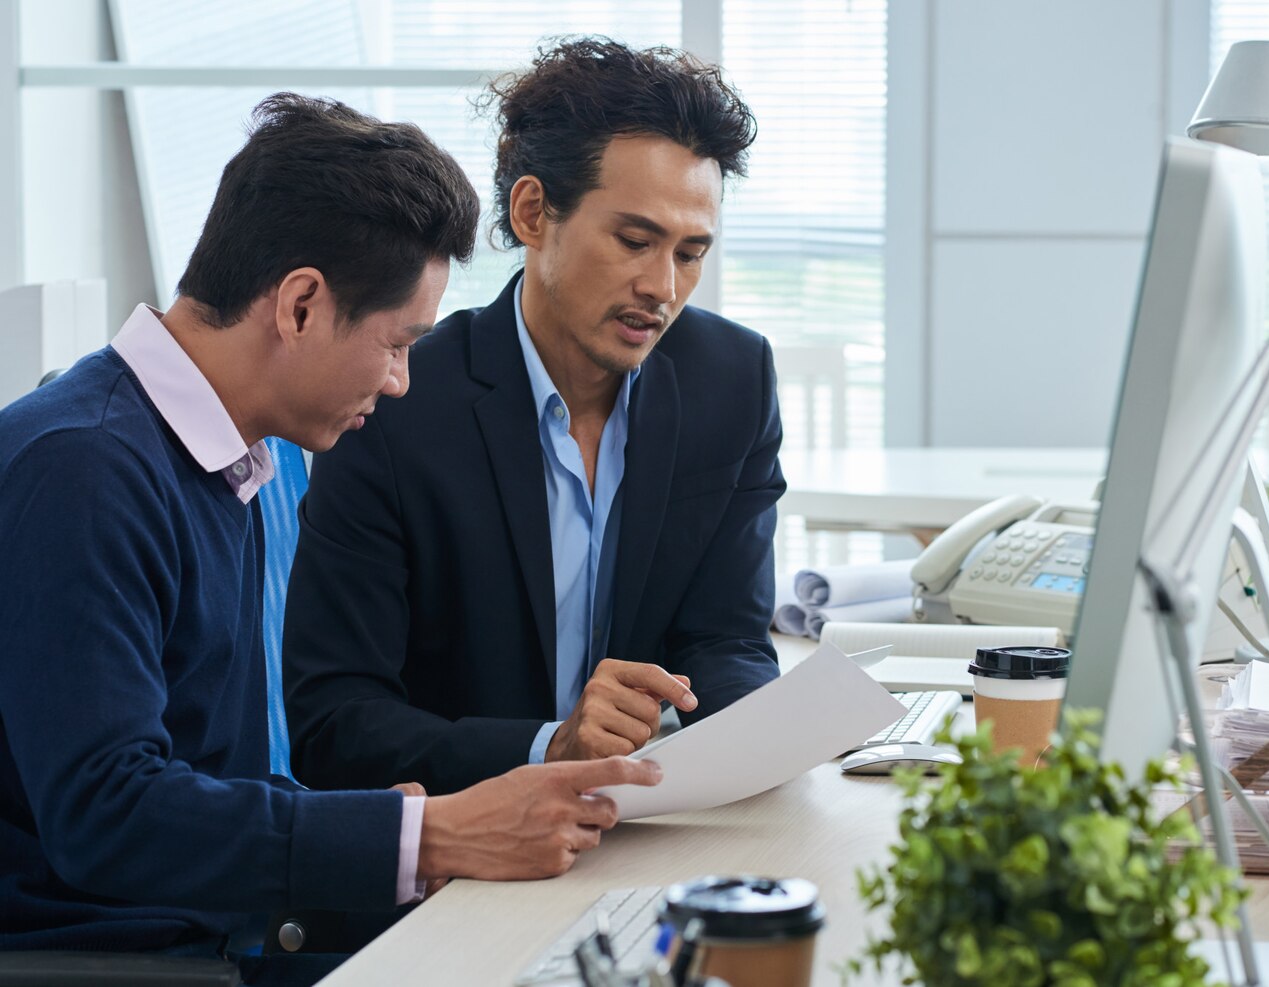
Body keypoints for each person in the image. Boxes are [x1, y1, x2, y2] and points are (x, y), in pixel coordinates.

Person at [0, 94, 657, 985]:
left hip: (225, 933)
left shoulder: (226, 458)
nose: (400, 382)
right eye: (397, 343)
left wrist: (390, 826)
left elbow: (202, 773)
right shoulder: (84, 468)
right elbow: (108, 813)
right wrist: (429, 836)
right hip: (130, 959)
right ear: (301, 304)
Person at [283, 37, 784, 796]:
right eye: (635, 240)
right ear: (532, 212)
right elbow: (333, 723)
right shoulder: (396, 403)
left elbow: (729, 640)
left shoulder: (732, 382)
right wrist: (550, 747)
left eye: (690, 253)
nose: (663, 286)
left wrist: (766, 727)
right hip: (459, 855)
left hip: (650, 825)